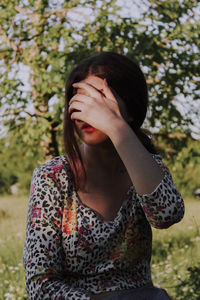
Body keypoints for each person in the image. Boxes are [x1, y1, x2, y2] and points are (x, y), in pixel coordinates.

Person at [23, 52, 185, 299]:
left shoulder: (147, 168)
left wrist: (116, 126)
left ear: (130, 109)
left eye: (100, 100)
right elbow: (40, 283)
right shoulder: (52, 178)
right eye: (81, 100)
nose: (88, 112)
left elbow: (167, 215)